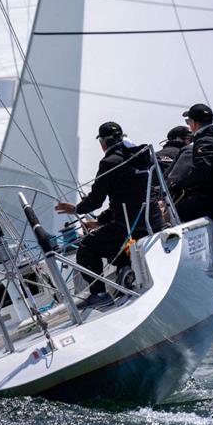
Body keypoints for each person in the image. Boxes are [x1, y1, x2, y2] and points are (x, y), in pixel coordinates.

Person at [55, 122, 162, 306]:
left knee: (88, 246)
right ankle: (126, 269)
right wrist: (100, 221)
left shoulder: (109, 162)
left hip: (130, 228)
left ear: (103, 143)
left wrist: (75, 209)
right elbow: (131, 196)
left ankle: (99, 295)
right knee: (109, 237)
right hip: (154, 221)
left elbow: (95, 200)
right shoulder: (141, 154)